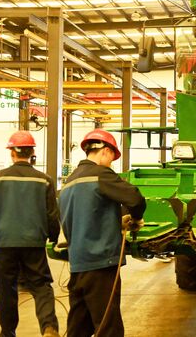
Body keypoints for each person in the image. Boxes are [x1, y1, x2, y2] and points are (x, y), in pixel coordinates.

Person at [59, 129, 146, 337]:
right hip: (101, 263)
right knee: (109, 327)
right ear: (105, 151)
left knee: (78, 327)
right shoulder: (100, 174)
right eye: (112, 159)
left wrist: (116, 221)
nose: (111, 164)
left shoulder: (68, 182)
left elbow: (85, 216)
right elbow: (134, 198)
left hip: (78, 264)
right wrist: (135, 218)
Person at [0, 131, 60, 337]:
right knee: (41, 285)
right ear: (32, 153)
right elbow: (52, 214)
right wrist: (54, 238)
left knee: (6, 289)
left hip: (4, 243)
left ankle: (7, 332)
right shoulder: (44, 181)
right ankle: (49, 327)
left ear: (11, 152)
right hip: (33, 243)